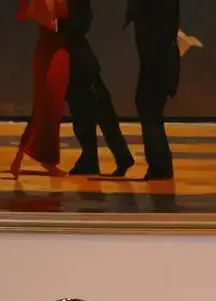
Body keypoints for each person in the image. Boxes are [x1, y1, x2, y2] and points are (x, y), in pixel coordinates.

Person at [61, 0, 135, 177]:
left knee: (91, 111)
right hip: (79, 59)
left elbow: (78, 24)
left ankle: (102, 157)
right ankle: (107, 156)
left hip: (77, 60)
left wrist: (57, 25)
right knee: (96, 111)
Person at [11, 0, 71, 178]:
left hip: (59, 50)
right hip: (50, 49)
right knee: (45, 104)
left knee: (53, 106)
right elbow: (28, 15)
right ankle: (22, 155)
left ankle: (45, 159)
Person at [125, 0, 180, 180]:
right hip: (160, 62)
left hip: (156, 64)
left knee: (149, 110)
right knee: (150, 110)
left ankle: (159, 166)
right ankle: (160, 165)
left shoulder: (153, 18)